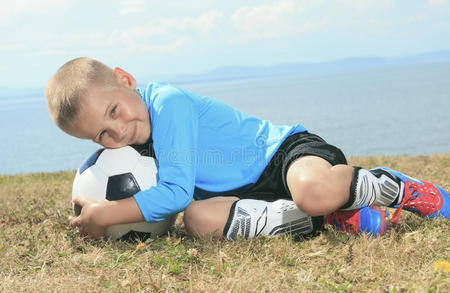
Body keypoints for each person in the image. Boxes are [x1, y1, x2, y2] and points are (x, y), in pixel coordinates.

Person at [45, 57, 449, 240]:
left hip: (282, 156)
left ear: (126, 79)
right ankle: (332, 221)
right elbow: (185, 202)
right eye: (101, 135)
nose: (118, 132)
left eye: (114, 111)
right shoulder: (130, 147)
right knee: (200, 222)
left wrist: (107, 214)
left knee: (314, 191)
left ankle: (394, 187)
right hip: (246, 197)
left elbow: (176, 192)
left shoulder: (167, 102)